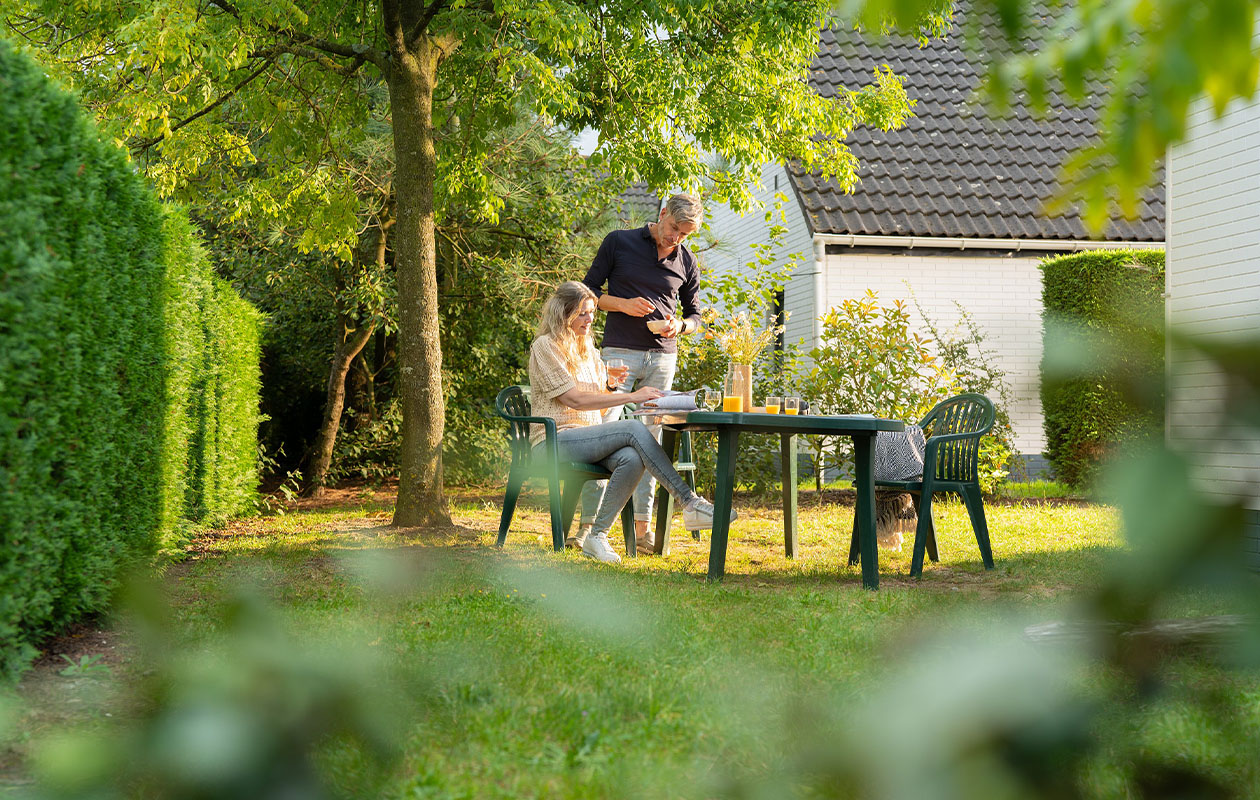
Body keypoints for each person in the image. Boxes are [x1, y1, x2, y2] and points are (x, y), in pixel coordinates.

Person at [528, 281, 733, 563]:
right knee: (633, 428)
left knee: (631, 459)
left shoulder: (586, 348)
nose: (590, 320)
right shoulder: (545, 346)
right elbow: (574, 400)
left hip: (586, 438)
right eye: (582, 313)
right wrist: (631, 396)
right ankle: (689, 502)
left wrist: (611, 387)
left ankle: (597, 537)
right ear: (563, 314)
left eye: (591, 313)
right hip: (553, 441)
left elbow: (596, 406)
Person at [577, 193, 705, 554]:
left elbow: (696, 316)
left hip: (663, 359)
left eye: (684, 234)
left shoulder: (686, 261)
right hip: (619, 354)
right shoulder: (619, 242)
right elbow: (587, 292)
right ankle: (587, 527)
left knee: (650, 440)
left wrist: (679, 326)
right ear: (661, 214)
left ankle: (642, 529)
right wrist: (623, 305)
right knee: (601, 434)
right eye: (673, 229)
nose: (675, 238)